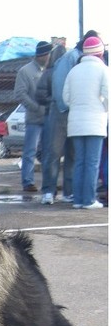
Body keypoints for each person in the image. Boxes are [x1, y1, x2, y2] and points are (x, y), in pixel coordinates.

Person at [41, 30, 100, 205]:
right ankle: (48, 191)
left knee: (72, 154)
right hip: (62, 112)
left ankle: (69, 191)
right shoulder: (71, 57)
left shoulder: (79, 59)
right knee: (54, 152)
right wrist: (66, 106)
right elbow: (60, 84)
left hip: (73, 112)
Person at [62, 35, 109, 209]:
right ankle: (89, 199)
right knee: (92, 162)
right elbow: (108, 96)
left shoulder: (74, 71)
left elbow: (65, 98)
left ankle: (78, 199)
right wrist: (103, 108)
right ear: (100, 53)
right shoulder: (103, 70)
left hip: (75, 123)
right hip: (95, 123)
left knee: (80, 161)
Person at [14, 40, 52, 192]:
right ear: (43, 55)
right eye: (49, 54)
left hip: (49, 118)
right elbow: (20, 94)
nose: (50, 57)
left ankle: (49, 183)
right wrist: (36, 108)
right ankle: (28, 182)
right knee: (30, 151)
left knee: (48, 152)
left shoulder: (50, 70)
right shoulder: (25, 71)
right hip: (34, 120)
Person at [36, 44, 68, 204]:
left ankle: (49, 191)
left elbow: (40, 94)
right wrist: (54, 102)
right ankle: (52, 190)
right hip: (53, 116)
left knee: (52, 155)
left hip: (53, 116)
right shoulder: (52, 73)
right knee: (55, 155)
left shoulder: (48, 72)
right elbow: (40, 95)